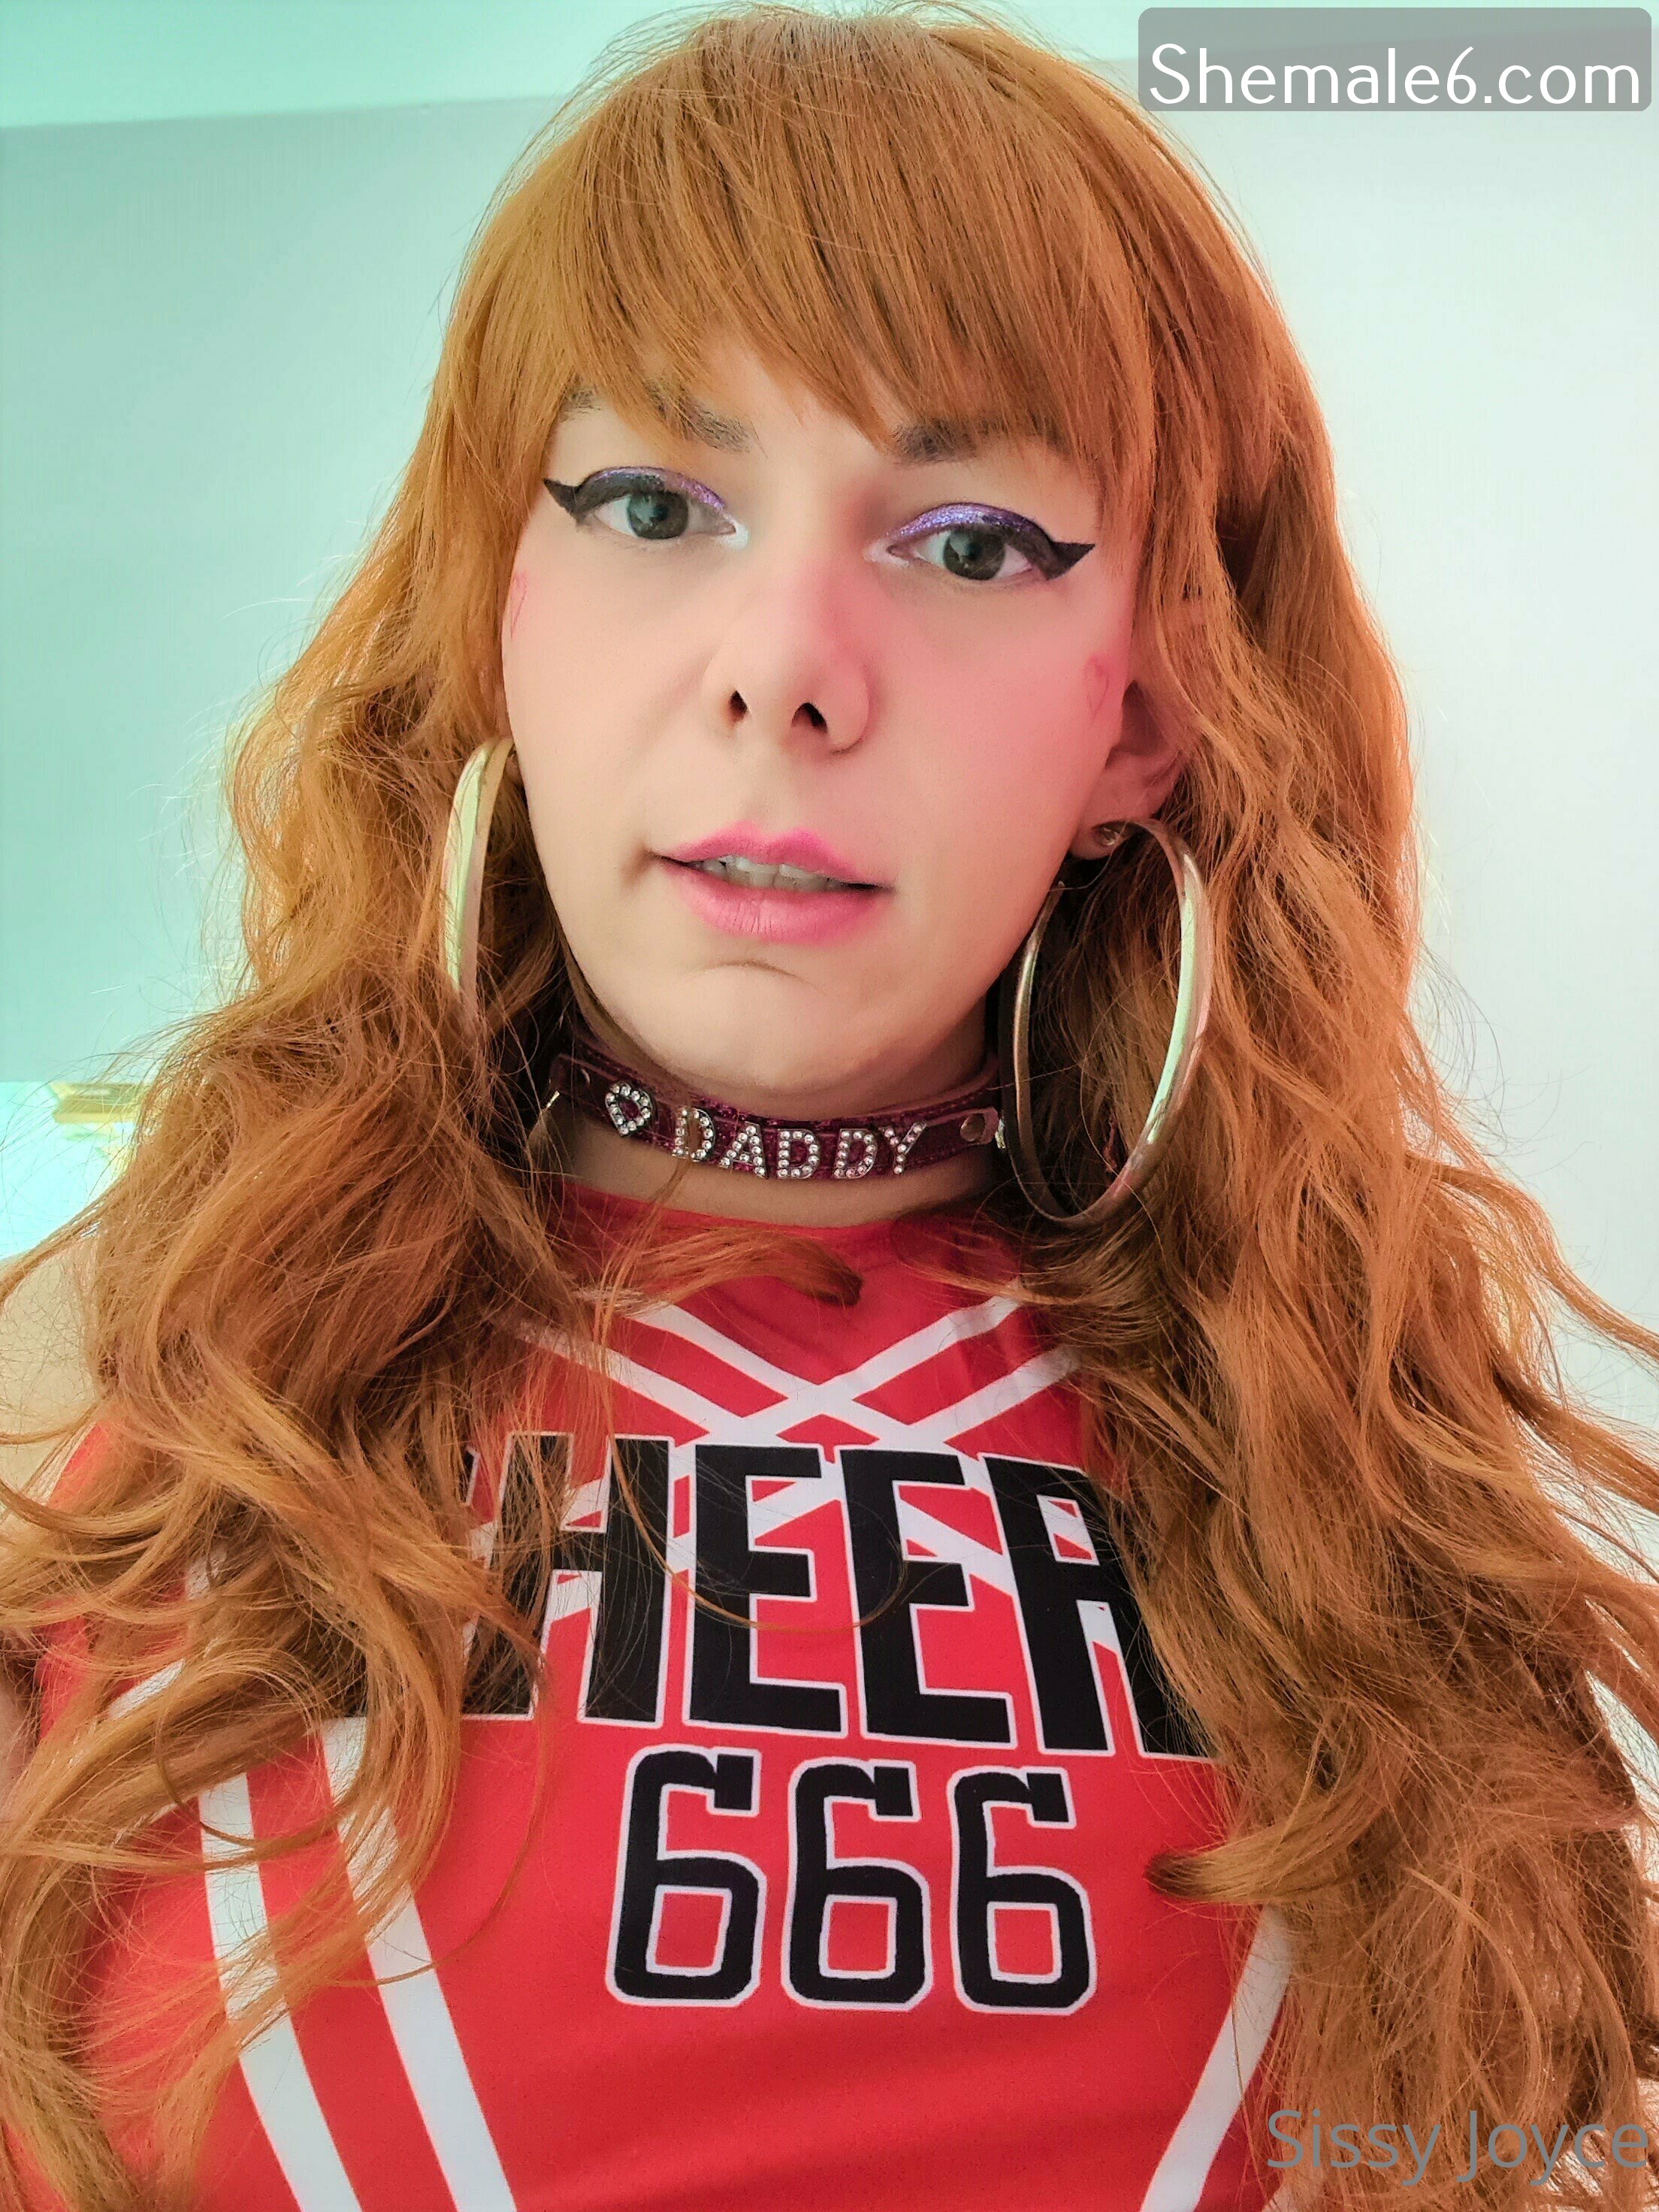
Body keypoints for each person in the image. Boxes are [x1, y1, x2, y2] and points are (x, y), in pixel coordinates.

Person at [3, 4, 1657, 2207]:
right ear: (499, 613)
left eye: (971, 544)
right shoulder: (119, 1374)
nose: (781, 666)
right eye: (651, 503)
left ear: (1147, 715)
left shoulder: (1366, 1461)